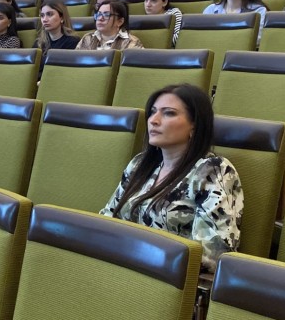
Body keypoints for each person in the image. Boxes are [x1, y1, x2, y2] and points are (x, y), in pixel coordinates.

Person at [101, 84, 243, 272]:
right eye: (153, 112)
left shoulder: (213, 171)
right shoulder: (140, 164)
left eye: (168, 113)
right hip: (121, 266)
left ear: (194, 125)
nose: (154, 120)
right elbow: (107, 219)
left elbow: (211, 255)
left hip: (169, 278)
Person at [77, 0, 144, 51]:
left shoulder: (131, 42)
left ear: (120, 21)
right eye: (99, 14)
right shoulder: (88, 38)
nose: (100, 18)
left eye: (106, 15)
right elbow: (75, 62)